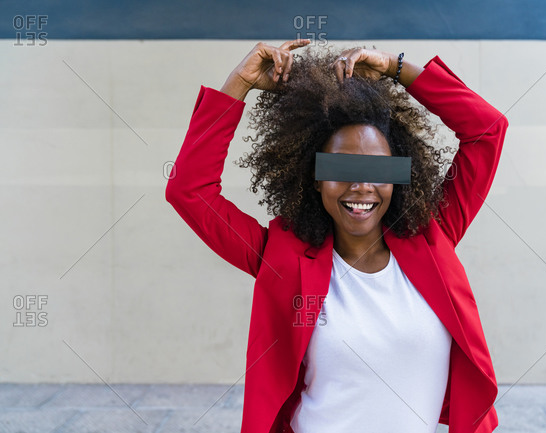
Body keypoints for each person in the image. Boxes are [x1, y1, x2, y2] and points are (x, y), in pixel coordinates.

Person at [166, 39, 509, 433]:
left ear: (398, 178)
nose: (361, 185)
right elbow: (188, 191)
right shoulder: (280, 259)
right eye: (339, 167)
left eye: (380, 171)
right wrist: (238, 84)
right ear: (315, 179)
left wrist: (395, 69)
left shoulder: (433, 238)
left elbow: (487, 130)